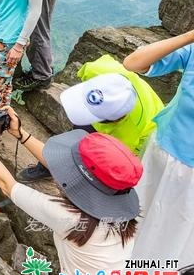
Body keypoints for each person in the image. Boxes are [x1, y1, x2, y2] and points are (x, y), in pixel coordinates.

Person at [0, 106, 142, 275]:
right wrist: (20, 134)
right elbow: (59, 168)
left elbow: (7, 186)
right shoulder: (119, 210)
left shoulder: (69, 219)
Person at [123, 29, 194, 275]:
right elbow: (134, 62)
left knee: (174, 240)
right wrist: (190, 35)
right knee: (138, 224)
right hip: (160, 157)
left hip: (190, 179)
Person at [18, 54, 164, 182]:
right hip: (117, 110)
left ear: (114, 121)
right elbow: (86, 73)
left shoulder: (134, 131)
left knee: (97, 157)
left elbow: (121, 163)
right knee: (73, 136)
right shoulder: (98, 70)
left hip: (143, 128)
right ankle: (47, 167)